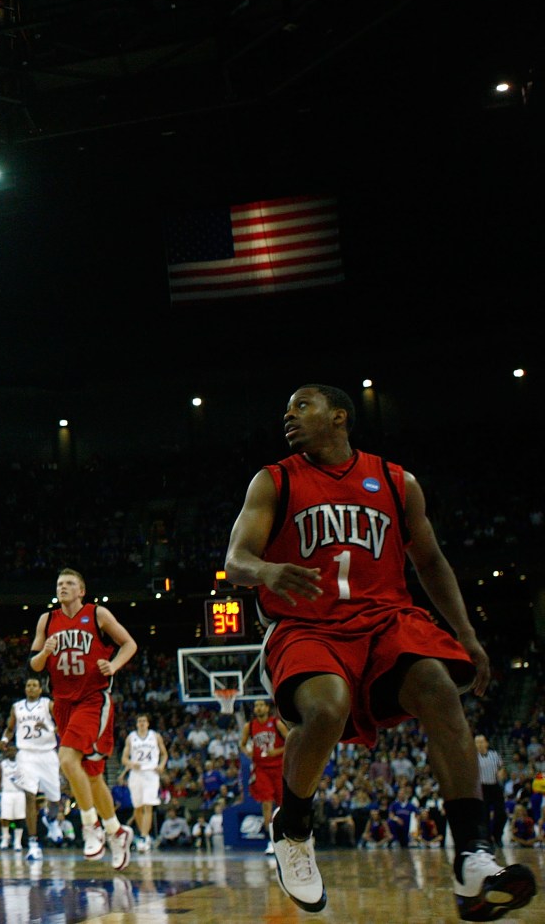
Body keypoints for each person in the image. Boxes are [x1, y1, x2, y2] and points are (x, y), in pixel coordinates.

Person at [224, 383, 537, 919]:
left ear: (339, 416)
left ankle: (472, 856)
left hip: (386, 619)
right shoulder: (274, 479)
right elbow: (235, 559)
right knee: (326, 708)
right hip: (307, 624)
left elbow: (432, 562)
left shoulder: (396, 481)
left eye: (303, 406)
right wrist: (267, 570)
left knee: (440, 689)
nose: (289, 416)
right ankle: (294, 829)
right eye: (287, 409)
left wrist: (465, 633)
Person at [28, 567, 138, 871]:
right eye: (59, 583)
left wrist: (114, 665)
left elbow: (129, 643)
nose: (63, 587)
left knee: (66, 759)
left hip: (92, 700)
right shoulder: (46, 620)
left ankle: (90, 825)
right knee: (91, 774)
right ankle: (117, 831)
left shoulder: (97, 614)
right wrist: (45, 652)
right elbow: (35, 665)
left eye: (69, 584)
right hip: (62, 703)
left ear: (81, 590)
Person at [0, 676, 62, 861]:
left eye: (35, 685)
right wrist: (4, 740)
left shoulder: (47, 704)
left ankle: (50, 820)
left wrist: (49, 728)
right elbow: (10, 729)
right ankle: (33, 844)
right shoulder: (16, 707)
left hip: (47, 753)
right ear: (25, 689)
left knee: (54, 798)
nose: (31, 688)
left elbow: (63, 724)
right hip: (25, 754)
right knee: (29, 796)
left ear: (40, 689)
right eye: (28, 685)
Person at [240, 700, 287, 854]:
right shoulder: (250, 726)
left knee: (282, 805)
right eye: (256, 705)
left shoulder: (276, 723)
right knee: (267, 804)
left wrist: (277, 752)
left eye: (261, 705)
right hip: (261, 769)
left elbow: (291, 741)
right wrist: (248, 752)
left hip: (278, 768)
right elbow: (242, 744)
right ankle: (271, 840)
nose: (258, 707)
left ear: (267, 708)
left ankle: (285, 837)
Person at [123, 712, 167, 853]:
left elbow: (164, 754)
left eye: (144, 721)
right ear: (137, 724)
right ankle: (144, 835)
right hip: (136, 774)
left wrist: (161, 765)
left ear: (148, 723)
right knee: (137, 807)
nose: (141, 723)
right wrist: (130, 763)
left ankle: (144, 836)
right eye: (139, 721)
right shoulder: (131, 737)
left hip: (151, 773)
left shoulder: (155, 736)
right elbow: (124, 758)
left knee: (148, 806)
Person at [476, 735, 506, 846]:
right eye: (477, 742)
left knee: (501, 814)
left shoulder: (495, 755)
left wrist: (501, 772)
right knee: (485, 815)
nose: (479, 744)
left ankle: (498, 835)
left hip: (495, 786)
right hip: (482, 788)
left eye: (481, 742)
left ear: (486, 743)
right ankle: (487, 839)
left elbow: (502, 767)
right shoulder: (474, 757)